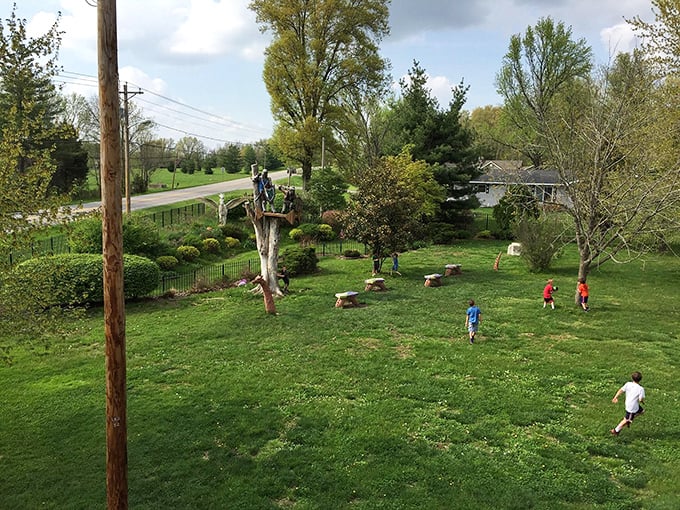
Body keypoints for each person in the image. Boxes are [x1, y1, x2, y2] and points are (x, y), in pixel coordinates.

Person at [610, 371, 645, 436]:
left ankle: (630, 418)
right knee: (626, 420)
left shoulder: (628, 384)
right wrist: (642, 401)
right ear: (640, 379)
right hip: (632, 407)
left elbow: (621, 390)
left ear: (632, 378)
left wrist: (615, 397)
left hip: (630, 404)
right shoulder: (641, 389)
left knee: (642, 411)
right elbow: (640, 399)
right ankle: (615, 430)